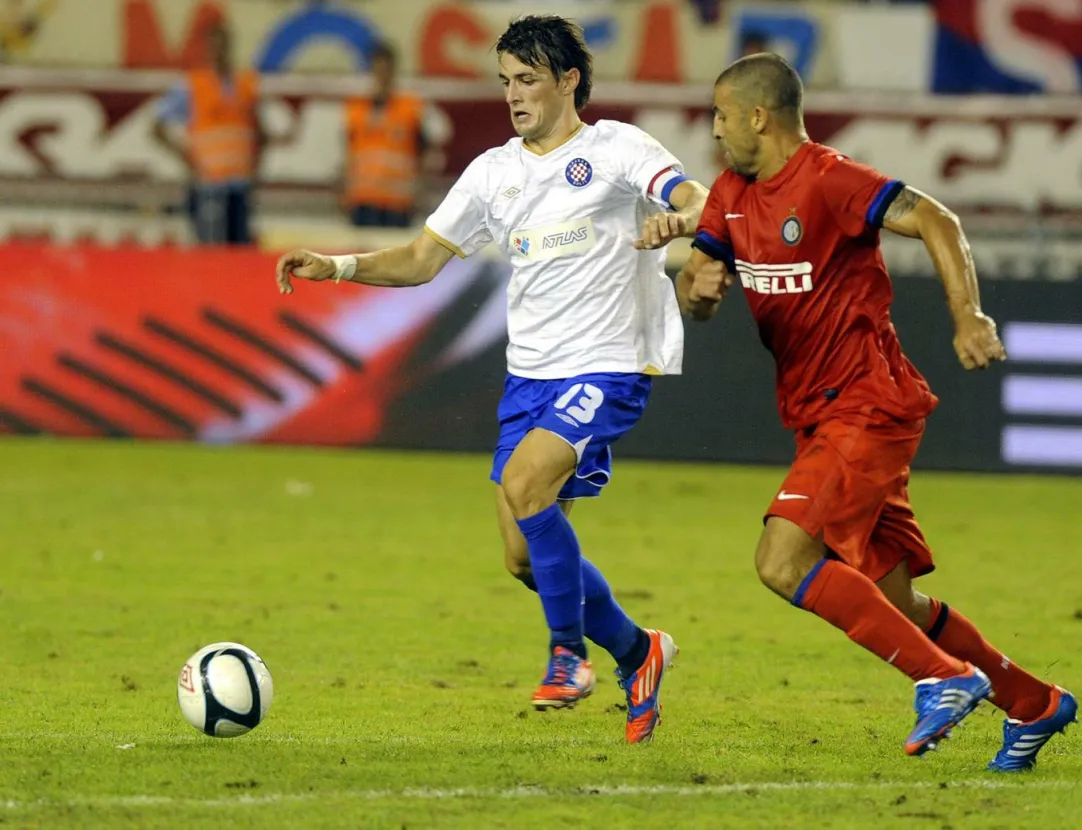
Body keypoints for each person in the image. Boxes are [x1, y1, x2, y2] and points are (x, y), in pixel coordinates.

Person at [274, 15, 708, 744]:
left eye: (527, 80)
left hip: (605, 364)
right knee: (522, 557)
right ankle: (640, 652)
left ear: (568, 81)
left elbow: (696, 196)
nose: (513, 95)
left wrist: (681, 220)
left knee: (528, 484)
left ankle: (567, 655)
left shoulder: (617, 149)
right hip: (529, 378)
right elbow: (420, 259)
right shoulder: (492, 173)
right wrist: (339, 266)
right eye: (505, 80)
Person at [678, 53, 1078, 769]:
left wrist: (968, 315)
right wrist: (696, 292)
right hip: (816, 415)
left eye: (721, 115)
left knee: (781, 560)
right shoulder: (730, 194)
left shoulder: (829, 178)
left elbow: (936, 218)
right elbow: (698, 285)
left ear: (758, 117)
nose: (713, 129)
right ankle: (1034, 702)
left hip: (865, 403)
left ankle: (941, 677)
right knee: (897, 602)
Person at [153, 23, 264, 246]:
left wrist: (255, 168)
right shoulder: (193, 85)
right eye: (214, 46)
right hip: (208, 187)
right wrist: (187, 158)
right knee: (211, 252)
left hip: (239, 186)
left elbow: (259, 131)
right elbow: (157, 127)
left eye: (223, 45)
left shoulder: (245, 84)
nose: (219, 52)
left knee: (240, 254)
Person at [342, 40, 425, 228]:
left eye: (386, 69)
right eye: (378, 69)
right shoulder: (356, 109)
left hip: (398, 202)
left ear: (394, 70)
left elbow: (422, 152)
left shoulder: (410, 109)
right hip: (363, 199)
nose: (382, 75)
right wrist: (344, 191)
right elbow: (349, 152)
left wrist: (420, 191)